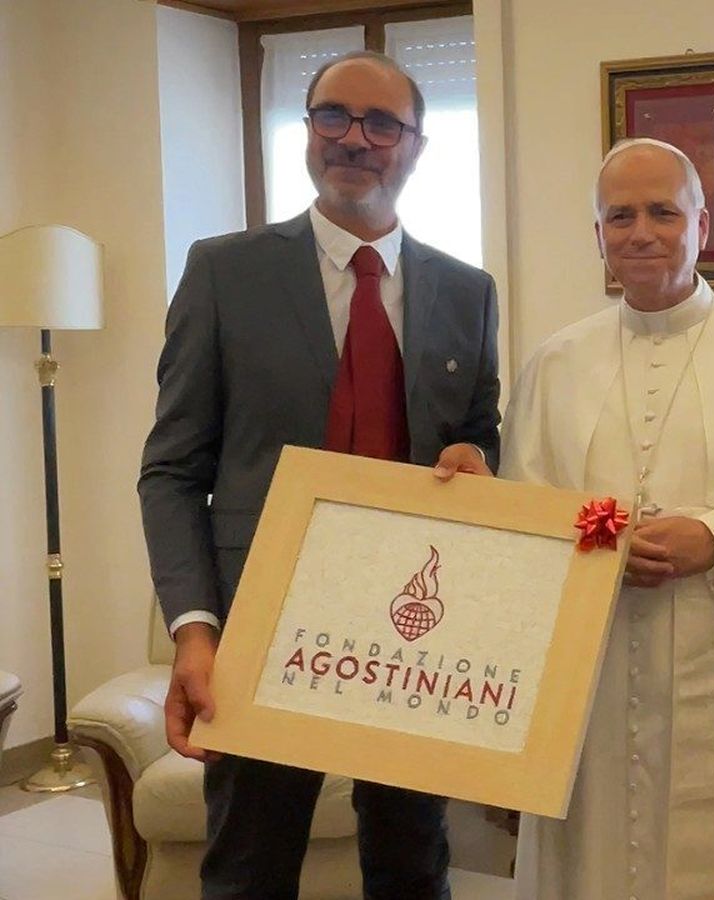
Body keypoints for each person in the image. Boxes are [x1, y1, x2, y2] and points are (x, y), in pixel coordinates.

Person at [138, 51, 501, 899]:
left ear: (415, 145)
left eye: (382, 124)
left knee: (414, 864)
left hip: (413, 633)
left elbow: (479, 433)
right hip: (258, 629)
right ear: (307, 133)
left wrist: (478, 458)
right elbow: (171, 470)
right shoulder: (225, 272)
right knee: (250, 870)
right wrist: (196, 626)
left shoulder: (468, 291)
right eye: (333, 116)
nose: (355, 140)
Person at [501, 137, 714, 900]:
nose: (641, 232)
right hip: (595, 651)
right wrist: (603, 542)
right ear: (597, 237)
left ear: (701, 222)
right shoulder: (554, 363)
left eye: (663, 211)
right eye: (619, 216)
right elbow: (523, 504)